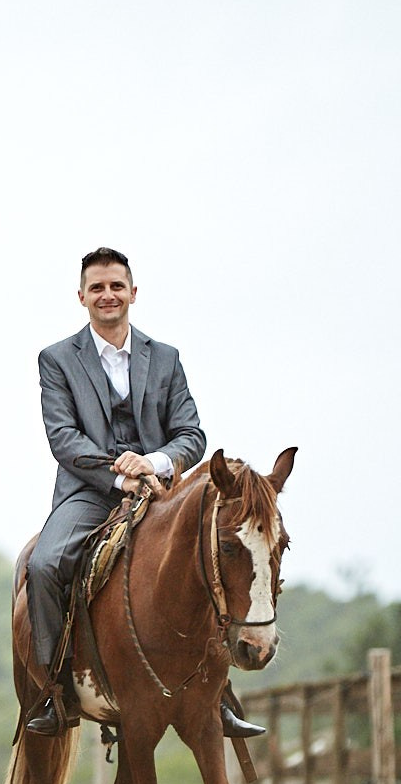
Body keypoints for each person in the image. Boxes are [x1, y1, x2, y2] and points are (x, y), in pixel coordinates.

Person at [22, 246, 263, 739]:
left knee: (212, 560)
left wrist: (153, 463)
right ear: (81, 297)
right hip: (90, 492)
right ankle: (56, 692)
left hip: (160, 492)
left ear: (133, 292)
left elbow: (191, 435)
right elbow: (63, 439)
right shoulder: (57, 360)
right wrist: (118, 473)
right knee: (45, 565)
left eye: (116, 286)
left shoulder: (166, 358)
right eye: (97, 288)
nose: (107, 295)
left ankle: (220, 697)